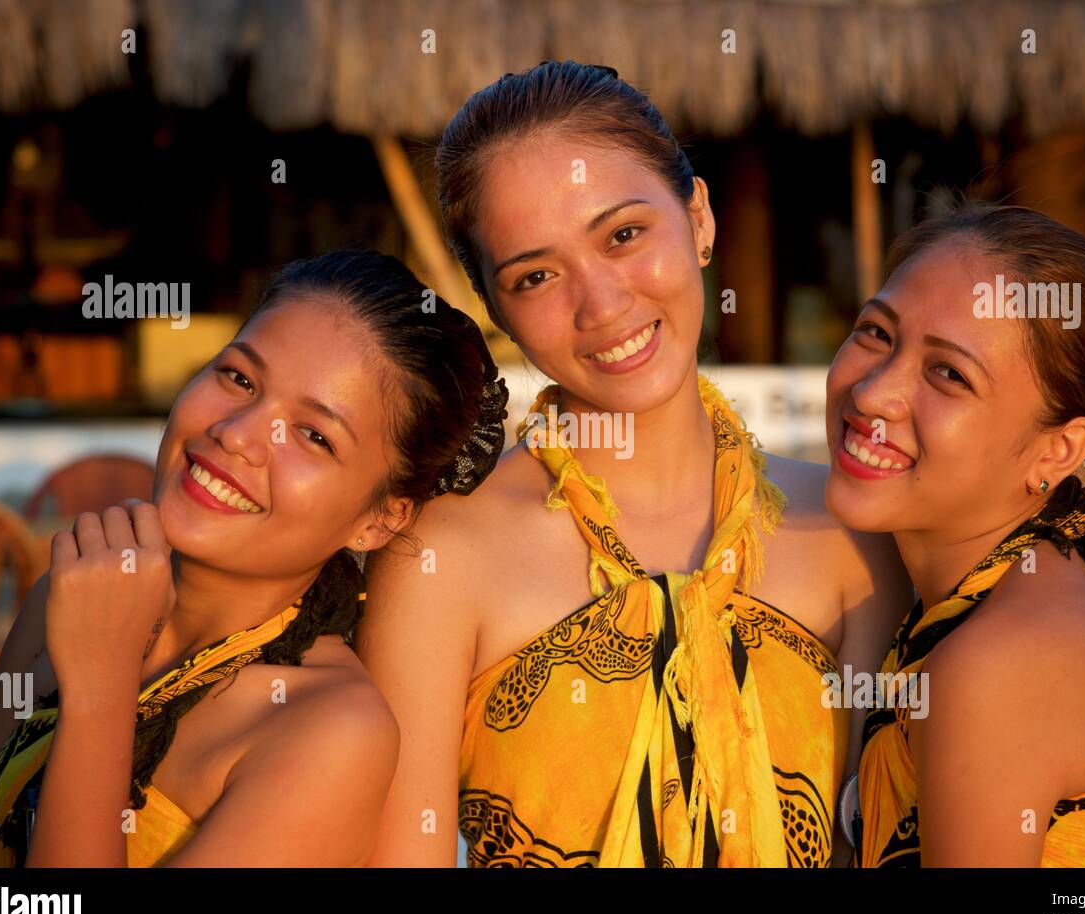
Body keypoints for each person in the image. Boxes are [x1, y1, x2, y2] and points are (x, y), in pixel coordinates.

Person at [360, 61, 912, 867]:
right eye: (535, 275)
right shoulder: (443, 558)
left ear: (699, 219)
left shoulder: (849, 534)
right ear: (494, 304)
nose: (602, 304)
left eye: (623, 235)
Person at [0, 249, 506, 867]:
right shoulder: (69, 598)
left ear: (379, 519)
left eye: (315, 436)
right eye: (239, 378)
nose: (237, 433)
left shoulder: (330, 732)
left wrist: (99, 687)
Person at [829, 203, 1085, 867]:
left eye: (949, 374)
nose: (875, 393)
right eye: (877, 332)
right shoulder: (1003, 588)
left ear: (1057, 452)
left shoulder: (998, 662)